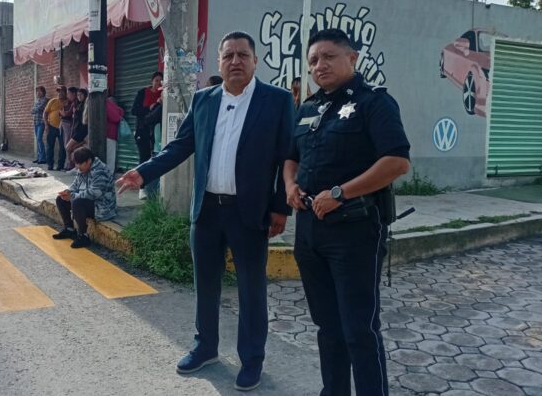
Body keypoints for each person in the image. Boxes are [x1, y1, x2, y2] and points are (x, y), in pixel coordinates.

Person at [115, 31, 294, 391]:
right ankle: (205, 347)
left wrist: (280, 208)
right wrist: (144, 172)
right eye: (228, 55)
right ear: (219, 62)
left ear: (255, 61)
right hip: (208, 209)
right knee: (206, 284)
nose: (235, 61)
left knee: (251, 289)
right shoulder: (204, 100)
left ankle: (252, 359)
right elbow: (179, 147)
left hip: (249, 212)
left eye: (243, 55)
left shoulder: (276, 100)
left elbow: (287, 155)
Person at [284, 29, 411, 396]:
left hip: (354, 233)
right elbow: (291, 157)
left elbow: (397, 162)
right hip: (310, 232)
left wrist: (341, 193)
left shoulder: (374, 103)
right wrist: (290, 185)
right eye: (313, 61)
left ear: (352, 58)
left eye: (328, 57)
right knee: (328, 327)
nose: (319, 66)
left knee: (359, 330)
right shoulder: (308, 108)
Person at [53, 146, 117, 249]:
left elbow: (94, 193)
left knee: (77, 202)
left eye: (80, 164)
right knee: (60, 199)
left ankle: (83, 235)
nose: (78, 167)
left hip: (103, 207)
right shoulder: (83, 168)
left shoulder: (100, 171)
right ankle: (69, 229)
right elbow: (76, 184)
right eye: (76, 164)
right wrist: (68, 191)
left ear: (88, 161)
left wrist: (72, 196)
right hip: (90, 203)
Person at [131, 71, 163, 200]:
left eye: (161, 81)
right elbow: (134, 110)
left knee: (155, 159)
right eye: (156, 80)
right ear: (152, 81)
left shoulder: (164, 94)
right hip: (142, 131)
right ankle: (142, 188)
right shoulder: (143, 93)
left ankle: (154, 187)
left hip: (157, 133)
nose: (158, 83)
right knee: (143, 158)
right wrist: (149, 107)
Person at [65, 88, 89, 174]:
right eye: (78, 95)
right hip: (77, 129)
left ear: (85, 95)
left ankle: (72, 166)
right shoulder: (78, 104)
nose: (79, 97)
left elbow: (83, 118)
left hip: (82, 130)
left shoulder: (86, 104)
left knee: (68, 147)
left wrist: (76, 112)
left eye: (81, 95)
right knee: (75, 149)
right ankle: (75, 167)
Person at [44, 86, 67, 171]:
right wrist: (46, 125)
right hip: (51, 126)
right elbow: (45, 113)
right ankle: (50, 164)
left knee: (63, 147)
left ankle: (60, 166)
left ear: (65, 92)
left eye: (62, 91)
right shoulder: (53, 101)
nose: (60, 93)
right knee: (50, 146)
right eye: (58, 91)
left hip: (63, 128)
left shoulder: (68, 102)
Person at [105, 94, 125, 174]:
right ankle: (108, 176)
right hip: (109, 134)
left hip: (104, 135)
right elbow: (116, 118)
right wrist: (117, 109)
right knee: (110, 158)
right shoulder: (107, 103)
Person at [60, 87, 77, 170]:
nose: (67, 95)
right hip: (67, 124)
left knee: (68, 145)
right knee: (66, 144)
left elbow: (67, 114)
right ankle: (69, 164)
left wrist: (61, 112)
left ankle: (70, 164)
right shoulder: (69, 102)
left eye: (68, 93)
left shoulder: (75, 103)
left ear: (73, 94)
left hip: (71, 125)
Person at [31, 86, 49, 164]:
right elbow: (32, 111)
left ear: (43, 92)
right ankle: (39, 157)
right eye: (37, 91)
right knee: (38, 140)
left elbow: (39, 108)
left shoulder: (45, 100)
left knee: (39, 139)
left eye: (39, 91)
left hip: (41, 122)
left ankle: (43, 158)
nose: (38, 93)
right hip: (36, 122)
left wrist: (35, 109)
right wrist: (35, 109)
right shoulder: (37, 101)